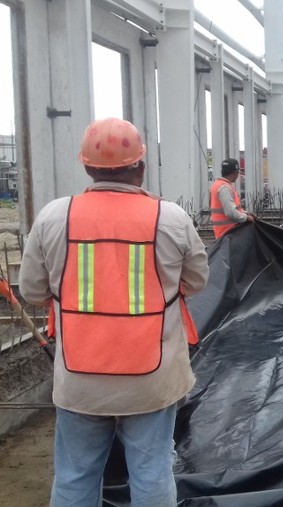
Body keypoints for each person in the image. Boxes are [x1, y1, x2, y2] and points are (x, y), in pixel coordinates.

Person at [18, 117, 210, 507]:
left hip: (79, 381)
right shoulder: (169, 218)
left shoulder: (55, 217)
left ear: (86, 166)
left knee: (75, 476)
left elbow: (34, 290)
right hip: (152, 381)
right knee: (152, 472)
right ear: (140, 166)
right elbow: (197, 281)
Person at [210, 158, 253, 238]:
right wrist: (246, 218)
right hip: (228, 233)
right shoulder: (224, 188)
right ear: (235, 173)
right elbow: (230, 212)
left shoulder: (216, 185)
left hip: (223, 232)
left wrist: (246, 213)